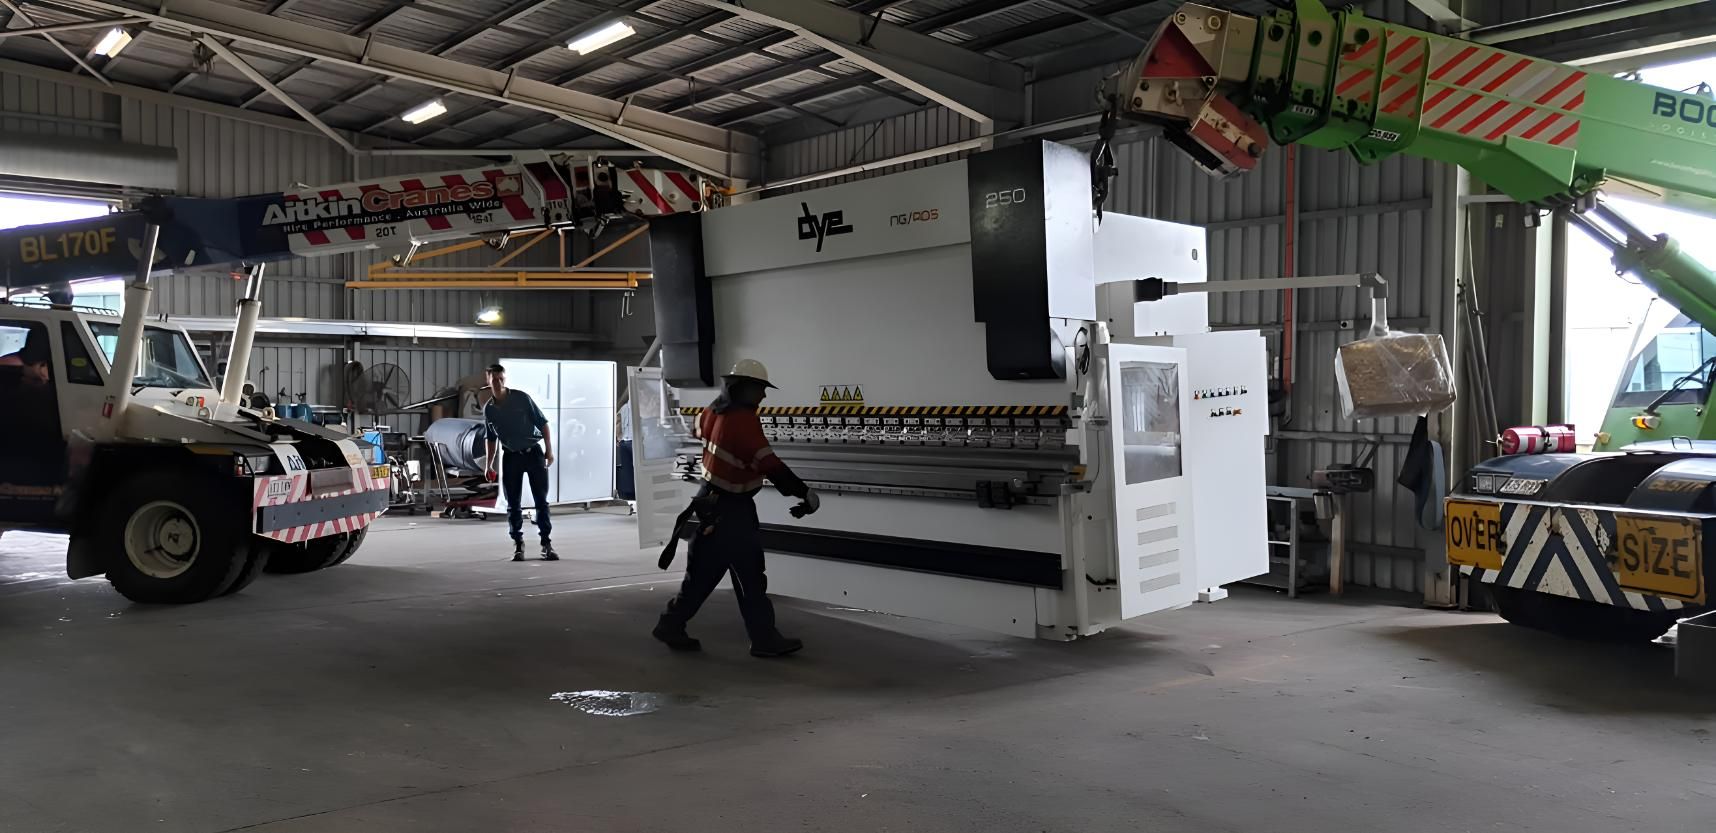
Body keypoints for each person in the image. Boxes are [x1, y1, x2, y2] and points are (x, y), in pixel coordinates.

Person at [653, 359, 820, 658]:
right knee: (750, 577)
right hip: (733, 511)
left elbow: (699, 434)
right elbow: (770, 464)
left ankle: (671, 623)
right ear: (743, 388)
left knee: (702, 575)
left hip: (709, 503)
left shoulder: (710, 412)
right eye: (760, 389)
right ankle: (764, 639)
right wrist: (803, 492)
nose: (764, 396)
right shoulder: (743, 421)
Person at [481, 363, 558, 562]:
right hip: (511, 457)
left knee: (541, 501)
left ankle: (546, 544)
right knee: (513, 503)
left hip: (533, 454)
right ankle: (517, 543)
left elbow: (543, 423)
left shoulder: (521, 398)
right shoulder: (489, 410)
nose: (498, 383)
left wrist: (549, 450)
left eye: (501, 379)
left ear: (505, 379)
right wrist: (489, 465)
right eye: (494, 379)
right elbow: (491, 439)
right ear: (488, 380)